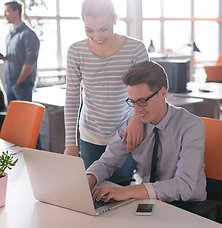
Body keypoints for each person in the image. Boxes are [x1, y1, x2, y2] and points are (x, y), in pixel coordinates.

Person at [86, 61, 207, 204]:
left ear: (163, 93)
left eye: (142, 101)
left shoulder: (191, 126)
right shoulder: (134, 125)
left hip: (186, 205)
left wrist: (128, 191)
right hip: (148, 199)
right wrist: (89, 179)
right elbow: (107, 162)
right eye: (132, 102)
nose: (137, 110)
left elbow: (184, 186)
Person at [64, 0, 149, 179]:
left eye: (103, 29)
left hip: (125, 133)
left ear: (115, 19)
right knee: (91, 194)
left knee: (120, 190)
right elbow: (71, 98)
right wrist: (70, 143)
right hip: (90, 135)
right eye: (89, 30)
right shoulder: (76, 51)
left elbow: (145, 91)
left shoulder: (136, 48)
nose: (97, 36)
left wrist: (137, 117)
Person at [0, 0, 40, 105]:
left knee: (23, 119)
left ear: (16, 11)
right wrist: (4, 58)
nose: (5, 15)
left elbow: (30, 61)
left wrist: (19, 82)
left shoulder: (28, 34)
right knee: (13, 119)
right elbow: (17, 56)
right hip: (10, 83)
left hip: (22, 84)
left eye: (7, 12)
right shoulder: (10, 35)